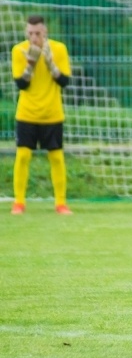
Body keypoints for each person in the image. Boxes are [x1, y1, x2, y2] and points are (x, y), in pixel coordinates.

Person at [10, 15, 73, 215]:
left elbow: (64, 81)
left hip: (52, 113)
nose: (34, 38)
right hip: (27, 113)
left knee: (56, 157)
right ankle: (19, 203)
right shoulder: (19, 50)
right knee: (23, 156)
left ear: (45, 31)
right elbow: (21, 84)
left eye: (37, 33)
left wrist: (49, 62)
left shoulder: (59, 49)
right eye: (30, 33)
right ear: (26, 32)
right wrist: (31, 63)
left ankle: (61, 204)